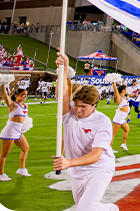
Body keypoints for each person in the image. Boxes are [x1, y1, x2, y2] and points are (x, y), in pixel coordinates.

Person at [53, 53, 118, 210]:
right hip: (77, 171)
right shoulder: (69, 115)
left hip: (99, 168)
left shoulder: (102, 122)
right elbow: (62, 93)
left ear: (94, 104)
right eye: (76, 105)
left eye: (83, 107)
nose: (78, 110)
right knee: (83, 207)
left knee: (84, 208)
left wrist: (68, 162)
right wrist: (64, 68)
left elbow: (96, 155)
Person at [0, 83, 30, 181]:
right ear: (16, 95)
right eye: (23, 95)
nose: (25, 96)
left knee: (25, 148)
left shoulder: (25, 106)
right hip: (10, 131)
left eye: (26, 95)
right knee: (4, 154)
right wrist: (3, 86)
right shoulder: (13, 105)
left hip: (18, 131)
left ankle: (22, 169)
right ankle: (1, 175)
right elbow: (6, 96)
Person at [110, 82, 130, 152]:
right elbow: (116, 90)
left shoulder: (124, 97)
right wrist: (114, 84)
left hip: (122, 118)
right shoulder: (119, 98)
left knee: (127, 129)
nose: (127, 90)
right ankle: (109, 149)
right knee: (112, 134)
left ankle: (123, 144)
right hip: (118, 118)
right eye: (126, 89)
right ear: (123, 91)